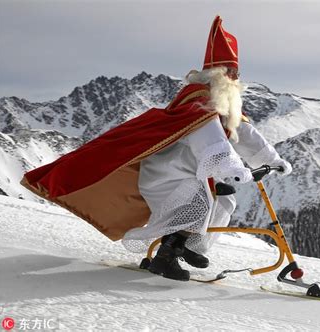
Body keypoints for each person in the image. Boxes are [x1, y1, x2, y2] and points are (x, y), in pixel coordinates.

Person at [20, 16, 291, 282]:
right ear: (218, 77)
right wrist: (234, 169)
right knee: (196, 203)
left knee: (223, 199)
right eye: (231, 74)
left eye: (236, 74)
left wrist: (272, 159)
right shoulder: (200, 105)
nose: (236, 79)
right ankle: (166, 257)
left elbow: (243, 133)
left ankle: (190, 245)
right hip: (167, 173)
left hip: (191, 171)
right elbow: (210, 141)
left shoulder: (221, 104)